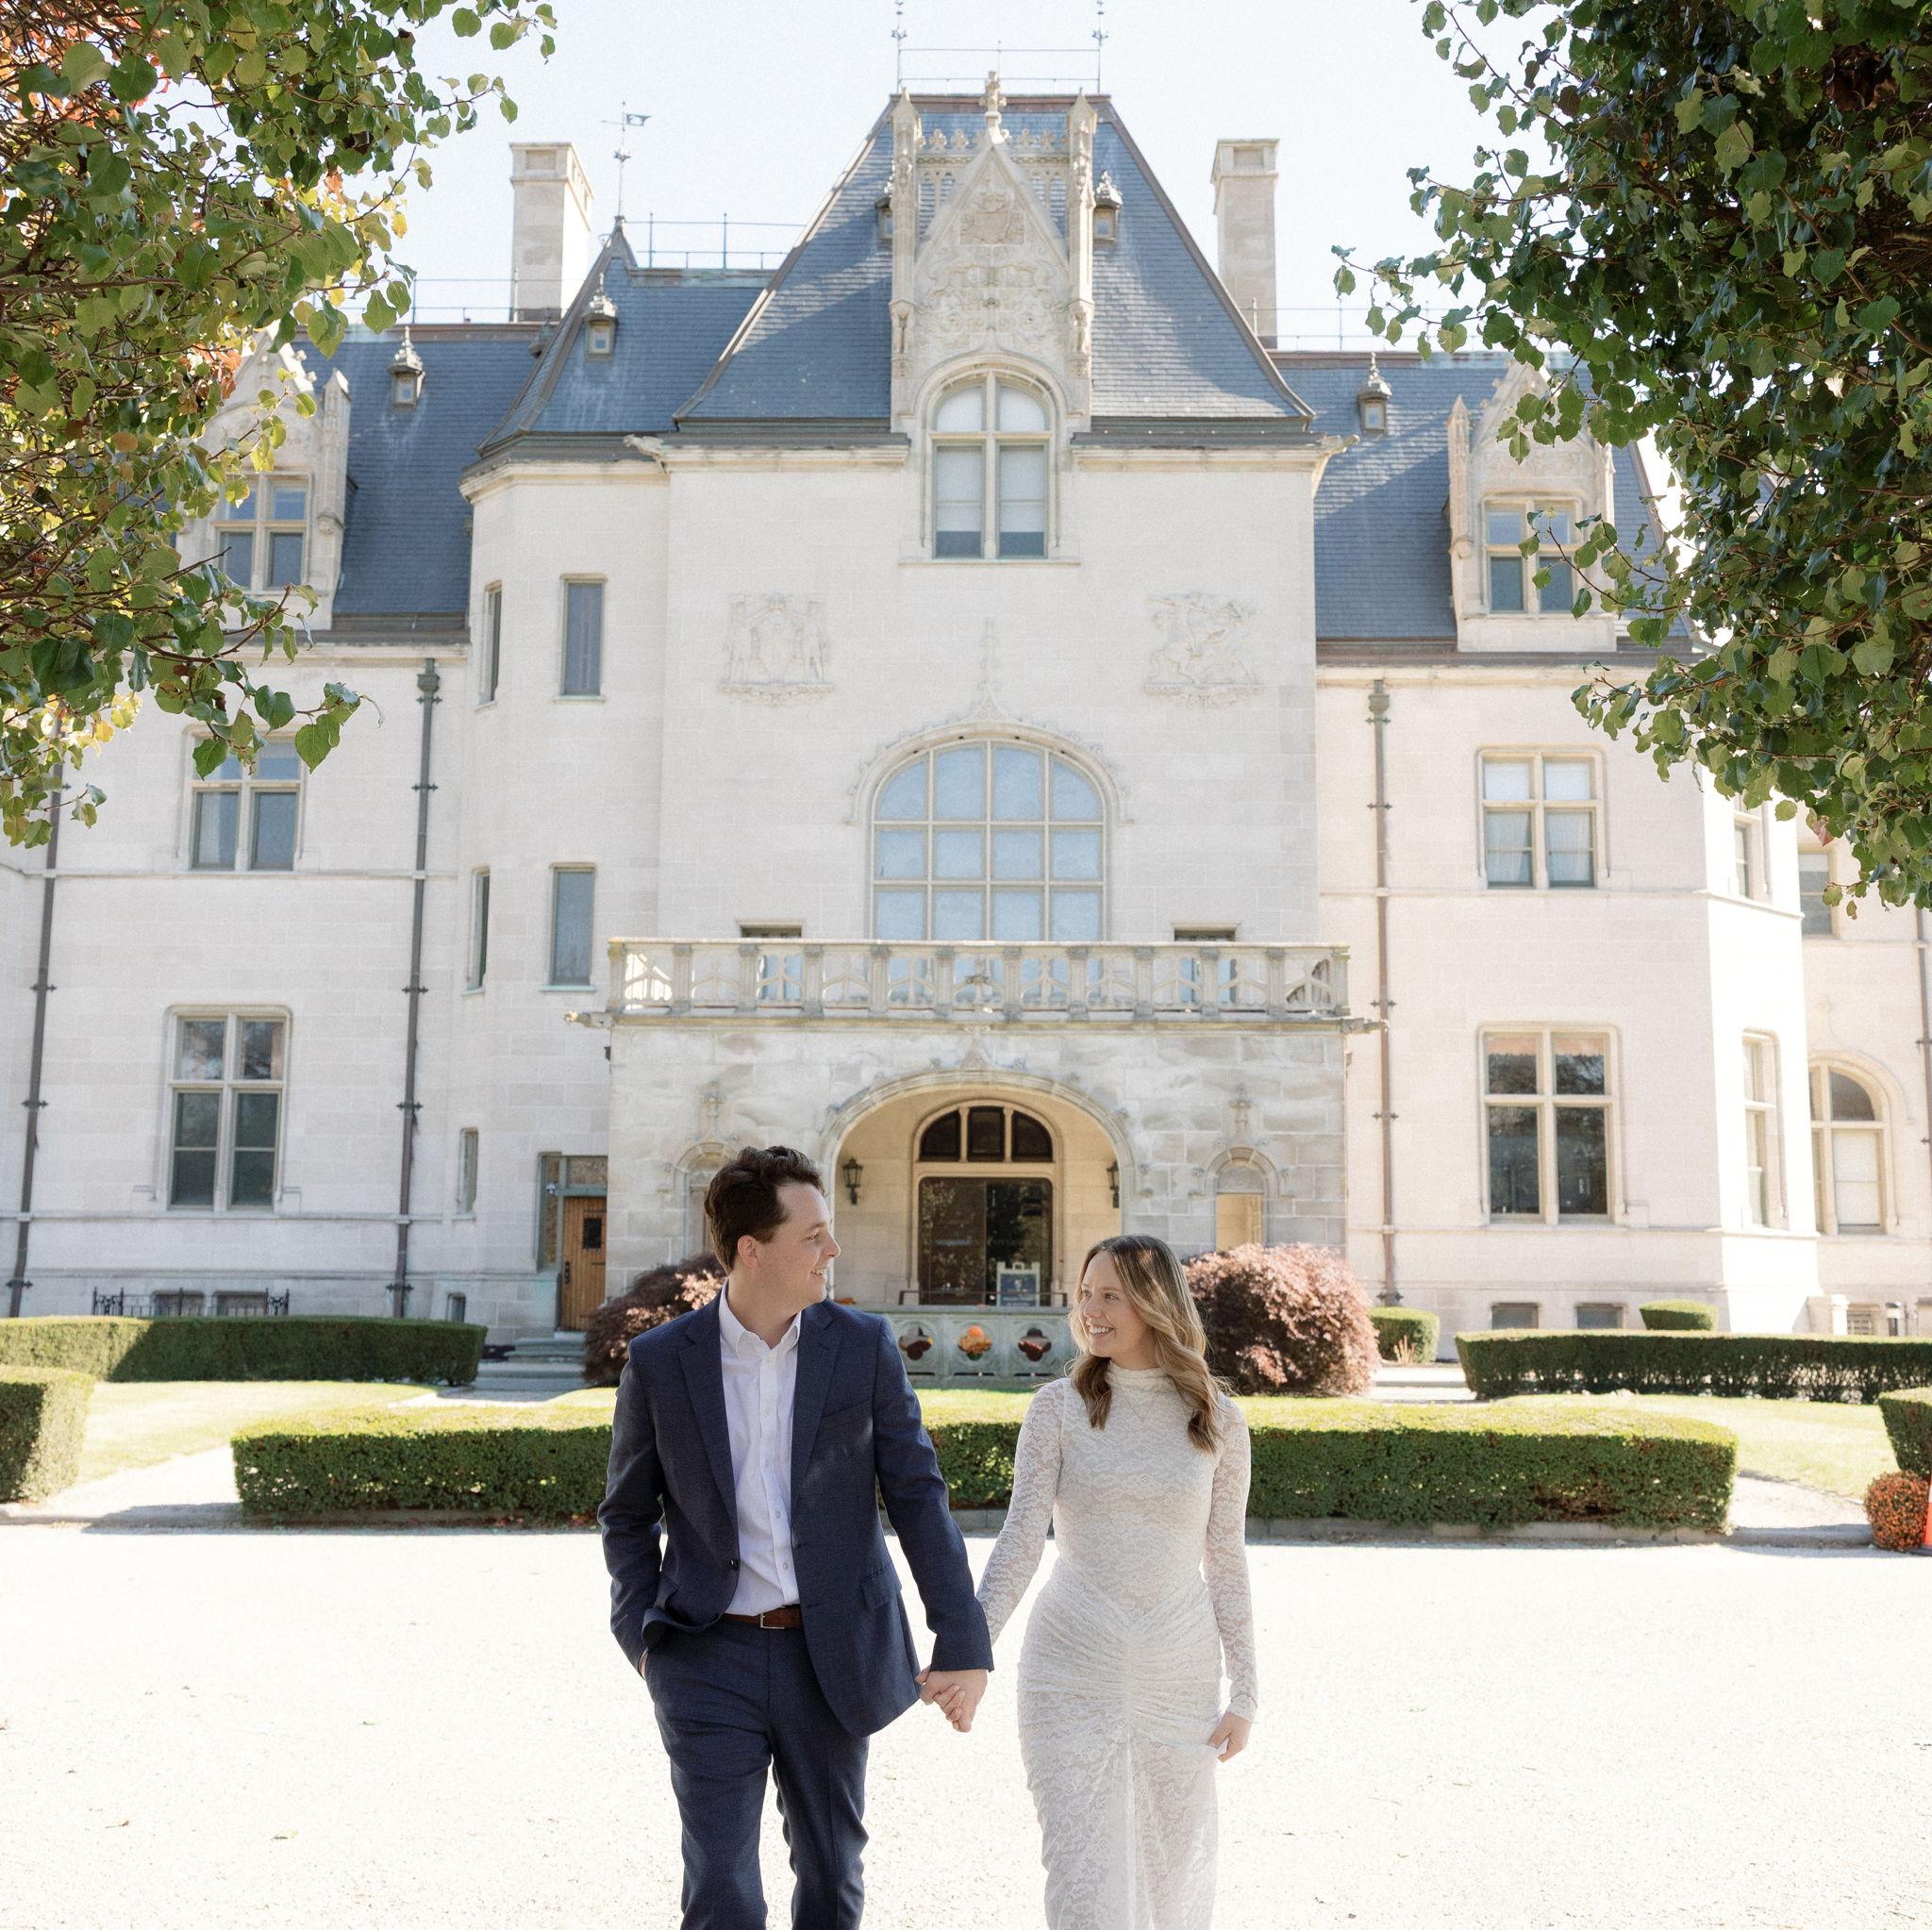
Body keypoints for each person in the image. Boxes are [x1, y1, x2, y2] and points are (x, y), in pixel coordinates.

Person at [598, 1143, 992, 1929]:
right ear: (753, 1250)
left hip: (832, 1651)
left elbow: (917, 1495)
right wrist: (643, 1638)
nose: (831, 1250)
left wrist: (963, 1638)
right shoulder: (662, 1362)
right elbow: (627, 1513)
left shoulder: (862, 1346)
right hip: (706, 1653)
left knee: (831, 1872)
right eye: (812, 1236)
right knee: (720, 1884)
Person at [942, 1233, 1257, 1929]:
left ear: (1155, 1302)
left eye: (1110, 1295)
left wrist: (1246, 1692)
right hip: (1069, 1669)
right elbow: (1021, 1540)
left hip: (1177, 1675)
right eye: (1085, 1294)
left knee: (1173, 1872)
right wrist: (970, 1650)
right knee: (1082, 1873)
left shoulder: (1218, 1419)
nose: (1090, 1310)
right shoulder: (1057, 1408)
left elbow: (1226, 1559)